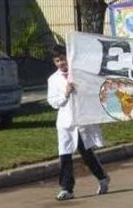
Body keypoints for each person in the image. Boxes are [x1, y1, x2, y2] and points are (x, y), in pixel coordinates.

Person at [47, 45, 110, 201]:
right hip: (65, 123)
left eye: (63, 59)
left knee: (86, 154)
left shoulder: (79, 74)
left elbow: (91, 92)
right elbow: (53, 102)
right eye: (57, 60)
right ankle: (67, 188)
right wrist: (65, 94)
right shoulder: (53, 80)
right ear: (54, 62)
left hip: (81, 121)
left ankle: (102, 177)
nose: (61, 63)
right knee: (65, 155)